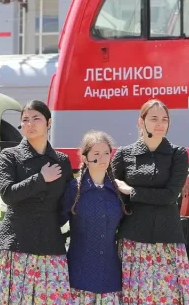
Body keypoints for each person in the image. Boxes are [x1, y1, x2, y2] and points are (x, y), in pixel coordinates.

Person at [0, 100, 73, 304]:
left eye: (35, 119)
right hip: (15, 244)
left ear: (48, 122)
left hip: (50, 244)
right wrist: (40, 179)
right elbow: (7, 194)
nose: (29, 124)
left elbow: (68, 200)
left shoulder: (62, 160)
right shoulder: (9, 156)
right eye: (25, 120)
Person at [110, 99, 189, 305]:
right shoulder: (124, 154)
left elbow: (169, 196)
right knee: (134, 297)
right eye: (154, 118)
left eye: (164, 119)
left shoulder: (178, 154)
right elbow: (112, 190)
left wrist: (132, 191)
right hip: (133, 236)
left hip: (167, 238)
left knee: (168, 298)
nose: (160, 124)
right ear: (141, 122)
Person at [59, 130, 129, 305]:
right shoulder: (73, 189)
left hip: (111, 275)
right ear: (84, 158)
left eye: (106, 153)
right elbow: (56, 221)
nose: (103, 158)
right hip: (79, 274)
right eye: (96, 154)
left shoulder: (118, 190)